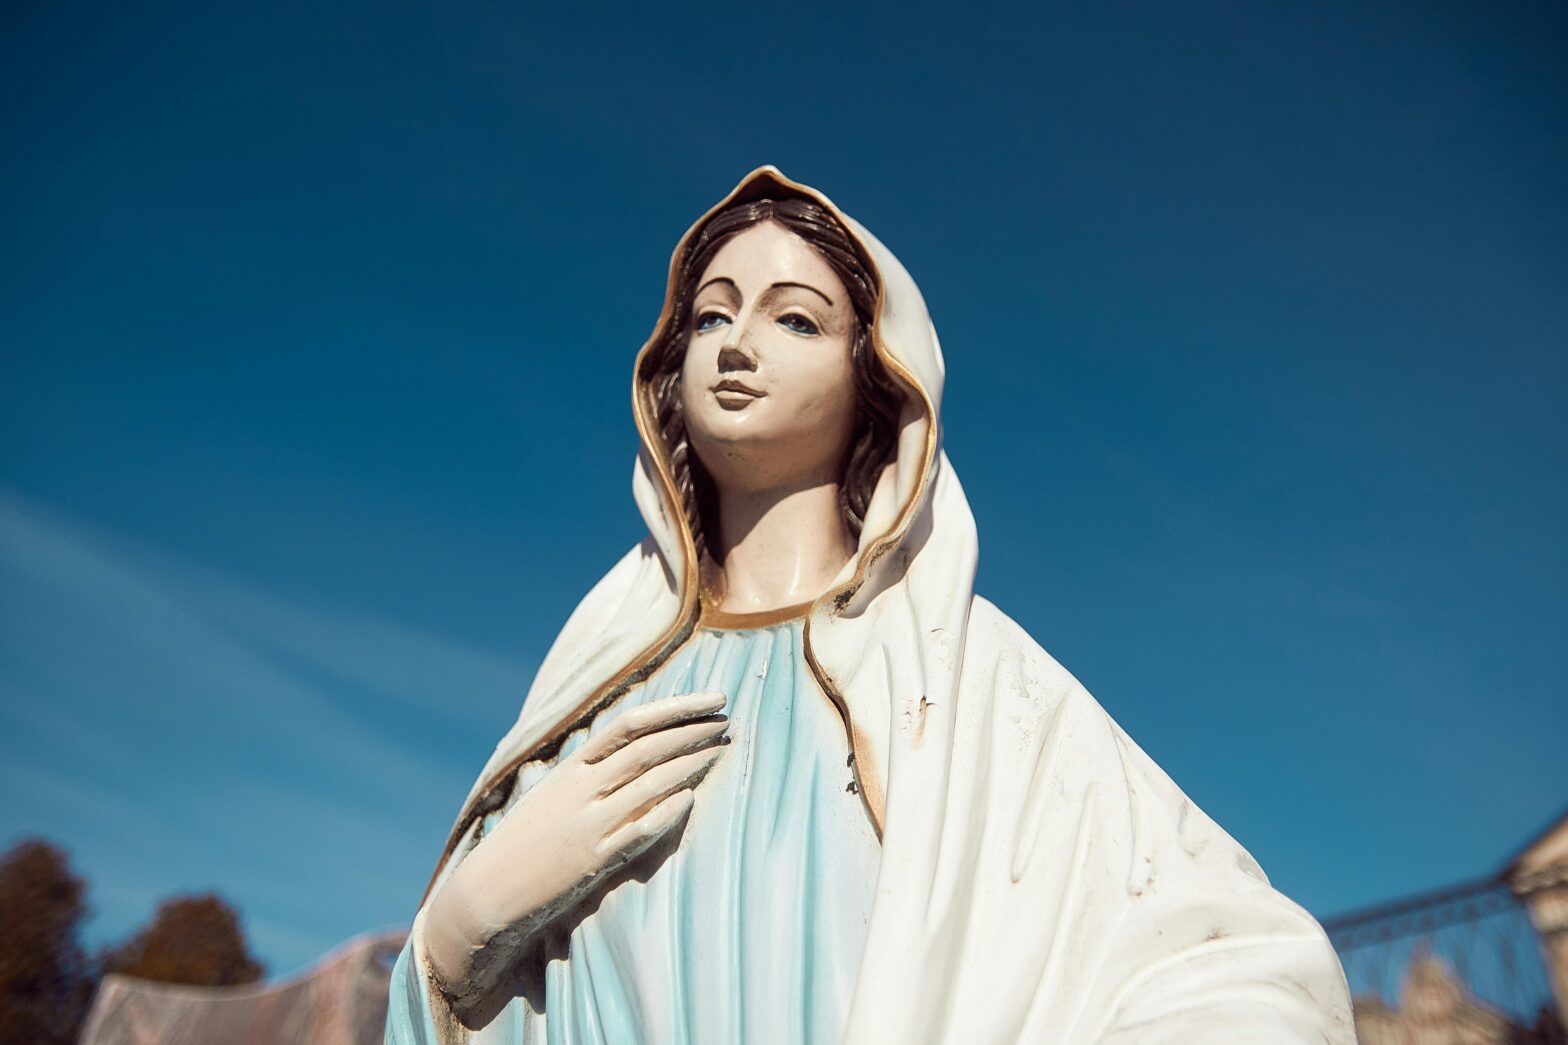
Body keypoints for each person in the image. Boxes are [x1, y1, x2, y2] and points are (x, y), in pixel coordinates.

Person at [385, 166, 1354, 1044]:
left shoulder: (966, 679)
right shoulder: (592, 686)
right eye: (711, 317)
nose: (735, 345)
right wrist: (459, 932)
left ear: (874, 374)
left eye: (793, 318)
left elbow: (1238, 964)